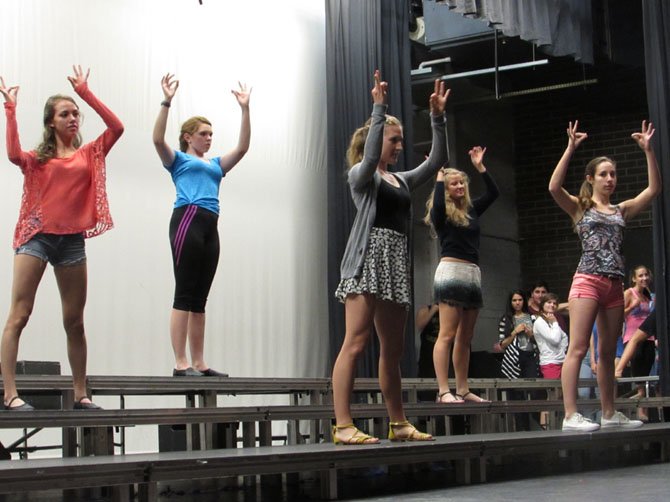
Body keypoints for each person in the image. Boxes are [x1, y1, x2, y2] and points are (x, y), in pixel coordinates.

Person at [331, 71, 449, 444]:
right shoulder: (361, 175)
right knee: (356, 341)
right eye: (394, 140)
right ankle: (343, 424)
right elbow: (368, 162)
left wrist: (437, 118)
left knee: (394, 350)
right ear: (378, 138)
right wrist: (379, 107)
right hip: (367, 262)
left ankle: (398, 422)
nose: (399, 146)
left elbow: (436, 163)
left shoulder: (400, 179)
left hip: (394, 265)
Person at [0, 66, 124, 410]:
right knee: (19, 314)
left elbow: (117, 127)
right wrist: (10, 110)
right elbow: (12, 153)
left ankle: (81, 393)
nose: (73, 118)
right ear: (51, 122)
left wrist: (86, 92)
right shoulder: (36, 160)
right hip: (36, 237)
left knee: (74, 320)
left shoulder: (89, 154)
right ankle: (9, 393)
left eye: (75, 114)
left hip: (71, 241)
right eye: (65, 114)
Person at [548, 120, 661, 431]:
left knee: (608, 351)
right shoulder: (580, 208)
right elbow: (554, 187)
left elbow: (654, 189)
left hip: (614, 285)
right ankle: (570, 415)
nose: (610, 179)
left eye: (613, 174)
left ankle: (609, 413)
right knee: (579, 347)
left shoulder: (621, 210)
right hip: (587, 280)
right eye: (604, 174)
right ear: (591, 179)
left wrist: (648, 151)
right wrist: (570, 148)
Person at [152, 74, 250, 377]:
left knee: (200, 299)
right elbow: (157, 139)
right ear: (188, 137)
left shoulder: (216, 164)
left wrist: (245, 110)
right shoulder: (178, 160)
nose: (209, 138)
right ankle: (180, 362)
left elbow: (243, 148)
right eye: (203, 134)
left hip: (210, 225)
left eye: (211, 134)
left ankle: (199, 362)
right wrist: (166, 102)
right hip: (187, 221)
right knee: (184, 292)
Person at [425, 145, 499, 404]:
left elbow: (493, 193)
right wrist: (438, 179)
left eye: (462, 183)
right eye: (454, 184)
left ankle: (463, 388)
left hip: (471, 273)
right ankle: (443, 389)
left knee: (466, 336)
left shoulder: (471, 210)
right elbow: (434, 212)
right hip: (451, 271)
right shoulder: (443, 212)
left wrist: (481, 168)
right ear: (446, 189)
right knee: (447, 333)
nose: (459, 187)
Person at [620, 265, 655, 418]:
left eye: (646, 275)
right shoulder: (629, 293)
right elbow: (618, 315)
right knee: (640, 382)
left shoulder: (649, 296)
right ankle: (641, 413)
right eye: (640, 276)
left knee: (647, 380)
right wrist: (632, 306)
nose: (644, 278)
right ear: (634, 278)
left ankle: (645, 412)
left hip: (648, 339)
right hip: (632, 339)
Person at [498, 290, 538, 380]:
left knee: (533, 388)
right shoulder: (506, 319)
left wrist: (530, 334)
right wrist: (515, 331)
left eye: (520, 300)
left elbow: (540, 341)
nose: (517, 303)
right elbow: (502, 345)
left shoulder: (532, 317)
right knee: (515, 389)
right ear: (510, 302)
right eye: (514, 300)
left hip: (530, 355)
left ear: (524, 301)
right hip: (513, 356)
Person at [533, 293, 568, 379]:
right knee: (555, 391)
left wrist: (562, 352)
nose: (552, 305)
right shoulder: (539, 322)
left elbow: (564, 337)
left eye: (555, 303)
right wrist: (555, 322)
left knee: (564, 391)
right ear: (542, 304)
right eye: (549, 302)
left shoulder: (551, 320)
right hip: (550, 363)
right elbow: (555, 339)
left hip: (562, 361)